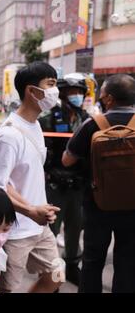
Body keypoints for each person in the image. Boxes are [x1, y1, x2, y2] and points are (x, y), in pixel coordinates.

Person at [0, 62, 63, 293]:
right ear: (31, 91)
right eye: (50, 85)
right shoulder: (8, 135)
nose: (54, 91)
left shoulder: (35, 125)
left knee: (57, 276)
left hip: (40, 228)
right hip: (15, 232)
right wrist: (29, 211)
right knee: (8, 290)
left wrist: (37, 212)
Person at [62, 74, 135, 293]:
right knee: (128, 262)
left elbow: (67, 160)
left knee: (93, 260)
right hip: (133, 206)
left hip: (97, 204)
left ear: (109, 98)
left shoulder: (92, 124)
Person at [38, 73, 89, 285]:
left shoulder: (87, 119)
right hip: (55, 185)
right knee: (50, 232)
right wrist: (51, 169)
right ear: (63, 94)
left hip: (78, 185)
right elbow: (42, 153)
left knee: (75, 229)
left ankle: (72, 266)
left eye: (79, 92)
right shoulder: (48, 118)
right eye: (71, 92)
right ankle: (51, 277)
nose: (76, 96)